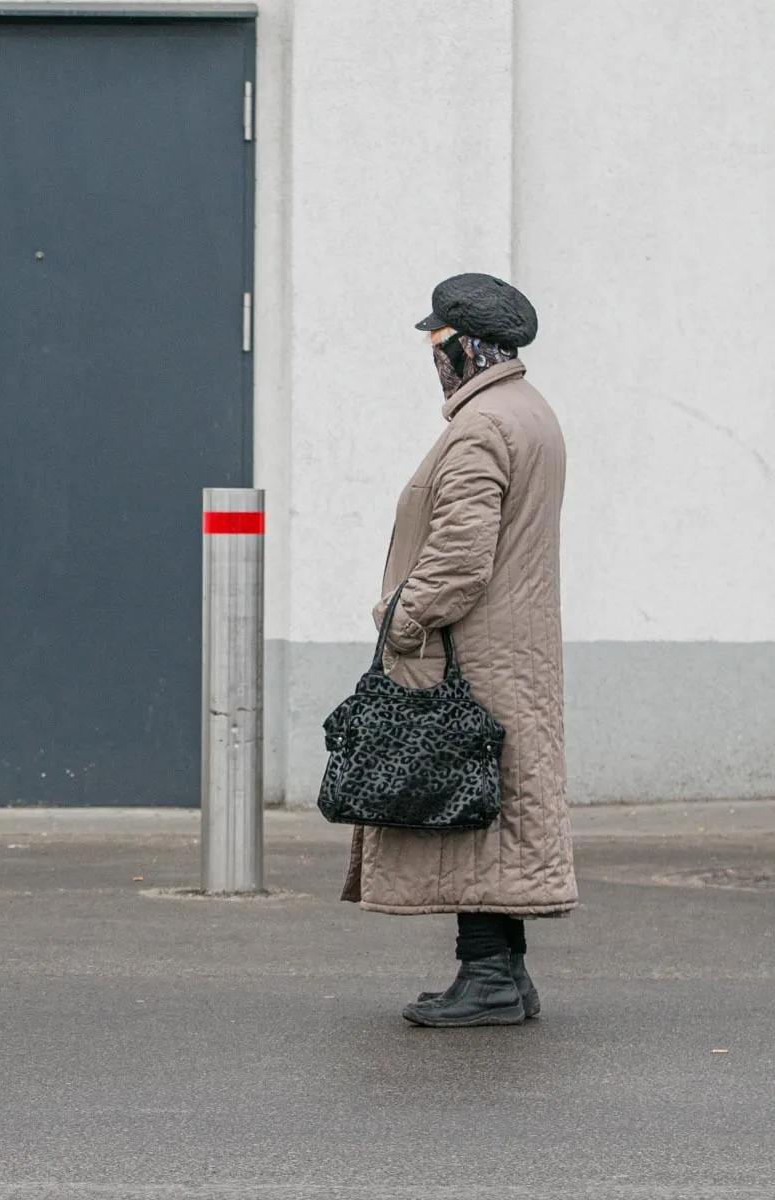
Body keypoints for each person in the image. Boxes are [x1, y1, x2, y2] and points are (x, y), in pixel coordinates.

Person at [341, 272, 577, 1028]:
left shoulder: (480, 428)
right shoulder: (528, 412)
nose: (433, 359)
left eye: (437, 344)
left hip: (467, 653)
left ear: (464, 347)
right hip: (510, 649)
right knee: (491, 806)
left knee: (462, 804)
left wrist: (400, 621)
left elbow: (459, 557)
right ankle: (501, 973)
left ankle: (488, 977)